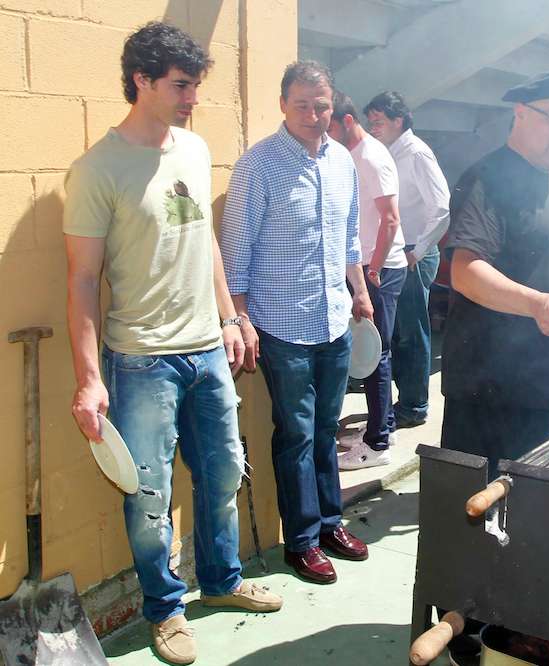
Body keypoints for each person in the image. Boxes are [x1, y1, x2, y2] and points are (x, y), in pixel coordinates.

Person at [64, 22, 282, 665]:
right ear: (142, 81)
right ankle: (165, 609)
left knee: (220, 476)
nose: (192, 98)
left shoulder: (190, 148)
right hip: (140, 362)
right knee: (150, 494)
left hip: (208, 352)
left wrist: (231, 319)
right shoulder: (97, 169)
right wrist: (87, 376)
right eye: (181, 86)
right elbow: (80, 281)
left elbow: (204, 241)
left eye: (195, 85)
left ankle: (221, 583)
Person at [220, 61, 373, 586]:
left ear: (334, 107)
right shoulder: (258, 166)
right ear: (283, 104)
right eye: (303, 104)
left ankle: (332, 523)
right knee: (297, 434)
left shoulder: (342, 164)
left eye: (322, 105)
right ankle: (302, 540)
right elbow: (234, 254)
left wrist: (360, 293)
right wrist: (240, 319)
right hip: (280, 324)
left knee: (328, 429)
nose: (313, 114)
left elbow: (350, 238)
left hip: (333, 319)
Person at [441, 70, 549, 478]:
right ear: (521, 114)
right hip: (493, 391)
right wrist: (538, 304)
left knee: (527, 512)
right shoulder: (488, 179)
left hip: (541, 383)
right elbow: (465, 272)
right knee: (481, 512)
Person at [328, 92, 408, 469]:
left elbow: (390, 219)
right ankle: (383, 426)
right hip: (363, 267)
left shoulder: (372, 158)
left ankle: (376, 445)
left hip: (382, 269)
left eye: (328, 126)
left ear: (346, 121)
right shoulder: (347, 153)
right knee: (369, 349)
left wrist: (372, 269)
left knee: (377, 354)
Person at [364, 91, 450, 429]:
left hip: (412, 253)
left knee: (411, 333)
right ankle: (403, 399)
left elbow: (441, 208)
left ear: (399, 121)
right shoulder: (386, 152)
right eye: (370, 121)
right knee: (397, 331)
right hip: (396, 251)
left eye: (379, 121)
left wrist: (418, 251)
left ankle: (414, 406)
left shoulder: (416, 154)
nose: (373, 127)